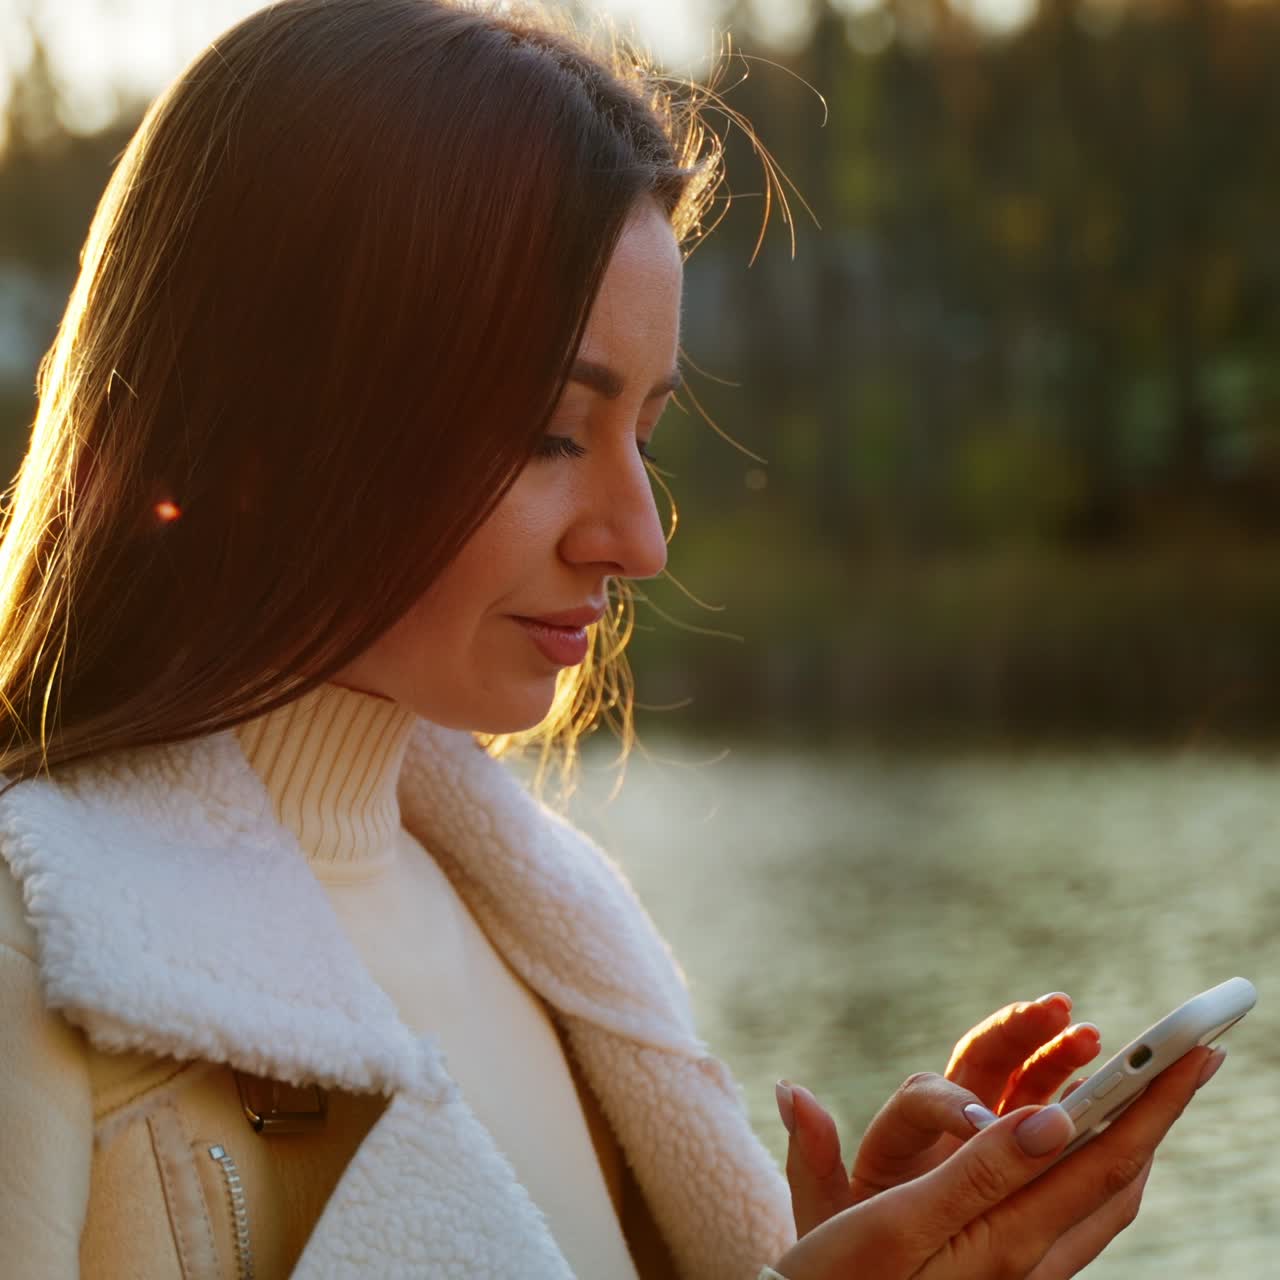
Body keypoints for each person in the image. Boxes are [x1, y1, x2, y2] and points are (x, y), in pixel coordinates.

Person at [0, 1, 1221, 1276]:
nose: (636, 538)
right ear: (262, 424)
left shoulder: (554, 940)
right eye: (547, 429)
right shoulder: (39, 968)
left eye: (645, 431)